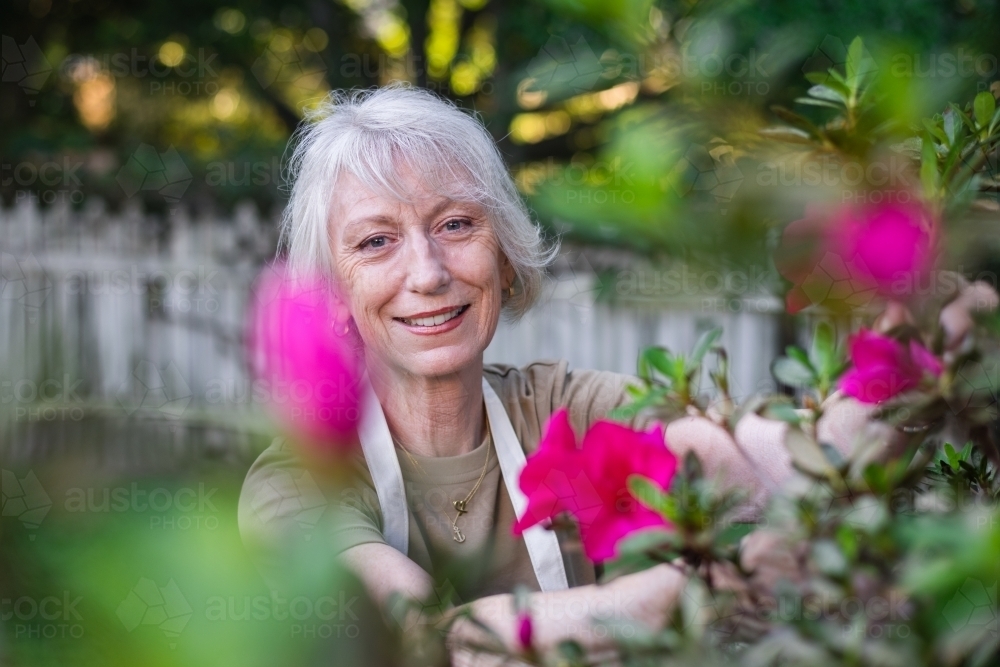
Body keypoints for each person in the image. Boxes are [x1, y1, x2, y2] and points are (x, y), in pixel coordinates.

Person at [238, 84, 997, 664]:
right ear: (332, 296)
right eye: (376, 242)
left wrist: (932, 349)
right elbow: (439, 641)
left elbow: (778, 458)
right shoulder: (296, 486)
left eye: (456, 224)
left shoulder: (560, 405)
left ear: (502, 253)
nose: (429, 272)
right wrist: (706, 587)